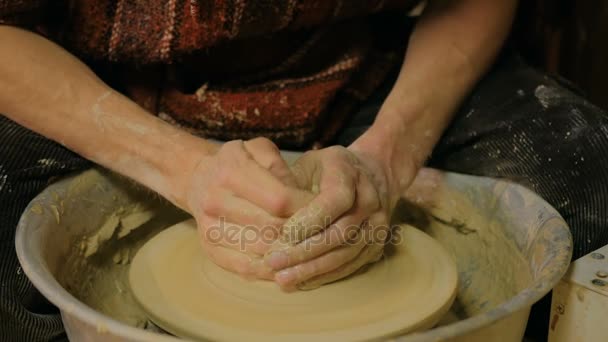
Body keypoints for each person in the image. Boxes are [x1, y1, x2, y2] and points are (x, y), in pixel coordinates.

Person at [1, 0, 607, 341]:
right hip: (102, 91)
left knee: (585, 170)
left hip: (366, 80)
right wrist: (182, 168)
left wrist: (389, 158)